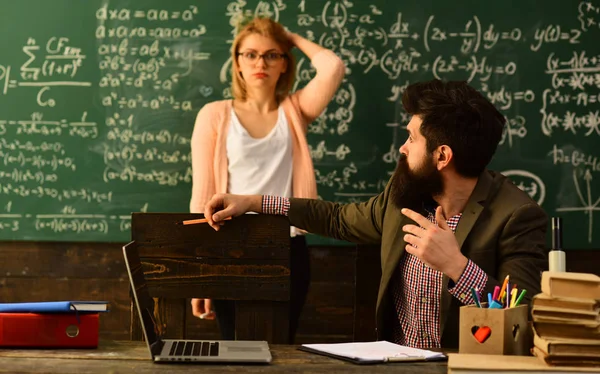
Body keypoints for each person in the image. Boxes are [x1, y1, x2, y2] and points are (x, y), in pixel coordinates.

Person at [201, 79, 548, 348]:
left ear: (442, 156)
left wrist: (456, 266)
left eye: (412, 138)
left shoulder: (516, 216)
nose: (402, 147)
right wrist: (254, 202)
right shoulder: (405, 196)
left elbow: (525, 320)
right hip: (393, 362)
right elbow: (338, 218)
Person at [189, 16, 345, 340]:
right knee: (233, 350)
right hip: (228, 246)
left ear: (284, 64)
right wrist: (199, 276)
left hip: (287, 245)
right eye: (250, 54)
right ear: (237, 63)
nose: (261, 62)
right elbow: (201, 198)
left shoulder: (295, 110)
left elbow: (332, 67)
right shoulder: (214, 115)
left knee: (281, 346)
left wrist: (289, 37)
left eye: (272, 54)